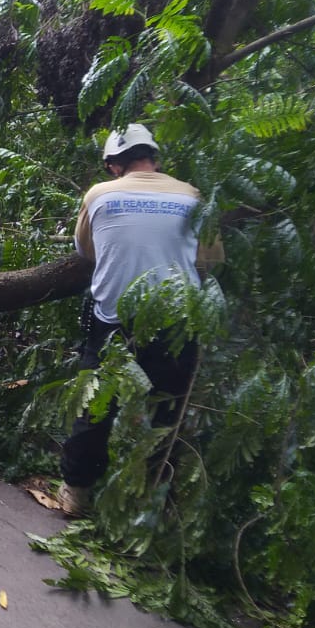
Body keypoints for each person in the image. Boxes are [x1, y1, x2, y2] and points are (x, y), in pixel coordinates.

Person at [59, 124, 221, 517]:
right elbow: (211, 258)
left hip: (113, 319)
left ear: (114, 165)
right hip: (177, 321)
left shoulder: (98, 195)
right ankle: (155, 505)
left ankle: (77, 494)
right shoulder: (192, 196)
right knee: (169, 412)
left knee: (94, 408)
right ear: (155, 158)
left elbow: (86, 250)